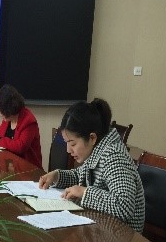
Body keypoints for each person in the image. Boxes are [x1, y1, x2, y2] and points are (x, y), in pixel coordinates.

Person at [38, 98, 145, 232]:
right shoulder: (96, 150)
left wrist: (84, 192)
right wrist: (56, 176)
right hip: (102, 226)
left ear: (92, 138)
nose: (68, 150)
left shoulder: (114, 156)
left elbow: (124, 206)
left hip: (122, 236)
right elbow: (79, 175)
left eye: (73, 144)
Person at [0, 84, 42, 168]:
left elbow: (21, 146)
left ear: (10, 108)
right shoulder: (8, 119)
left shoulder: (28, 121)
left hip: (28, 169)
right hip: (9, 167)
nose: (0, 114)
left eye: (2, 111)